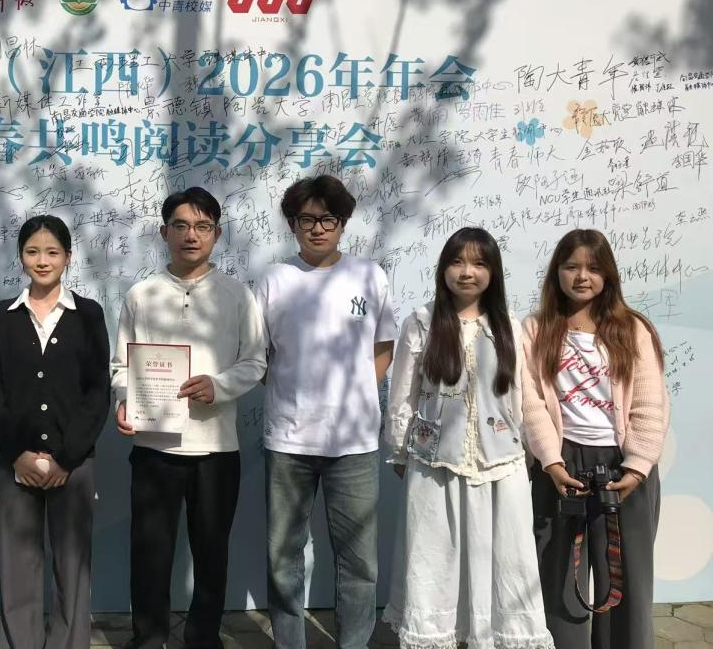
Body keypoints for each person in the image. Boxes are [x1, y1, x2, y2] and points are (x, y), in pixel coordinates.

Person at [382, 227, 553, 649]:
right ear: (443, 269)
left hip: (502, 467)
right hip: (434, 466)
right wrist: (400, 452)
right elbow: (403, 394)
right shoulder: (421, 322)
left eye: (478, 263)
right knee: (433, 559)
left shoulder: (509, 326)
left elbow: (521, 397)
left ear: (493, 272)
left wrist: (533, 454)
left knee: (506, 561)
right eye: (457, 262)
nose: (466, 272)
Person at [111, 187, 267, 649]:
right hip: (154, 448)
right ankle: (148, 638)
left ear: (217, 233)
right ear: (164, 233)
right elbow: (120, 365)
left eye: (202, 226)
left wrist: (218, 385)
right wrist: (124, 400)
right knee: (149, 552)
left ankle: (203, 638)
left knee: (212, 553)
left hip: (216, 449)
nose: (191, 235)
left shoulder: (237, 295)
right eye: (180, 226)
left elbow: (255, 361)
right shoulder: (142, 294)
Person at [254, 175, 397, 649]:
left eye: (328, 219)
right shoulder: (274, 279)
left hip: (355, 441)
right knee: (283, 556)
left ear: (343, 223)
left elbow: (383, 346)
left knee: (359, 561)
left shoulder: (370, 275)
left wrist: (356, 392)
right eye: (306, 219)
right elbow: (259, 356)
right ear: (292, 225)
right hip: (288, 440)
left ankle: (353, 643)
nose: (317, 228)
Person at [523, 229, 668, 649]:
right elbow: (529, 401)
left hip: (624, 465)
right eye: (571, 266)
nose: (582, 276)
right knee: (558, 577)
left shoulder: (633, 328)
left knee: (626, 581)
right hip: (560, 465)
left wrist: (637, 467)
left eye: (593, 267)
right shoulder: (535, 329)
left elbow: (650, 402)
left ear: (609, 274)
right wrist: (551, 461)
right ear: (557, 272)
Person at [0, 215, 111, 649]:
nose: (42, 260)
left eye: (52, 252)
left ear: (68, 257)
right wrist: (17, 454)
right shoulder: (3, 316)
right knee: (18, 565)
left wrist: (66, 459)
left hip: (73, 464)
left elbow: (97, 392)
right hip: (15, 462)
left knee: (72, 565)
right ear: (20, 257)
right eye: (33, 251)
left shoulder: (88, 314)